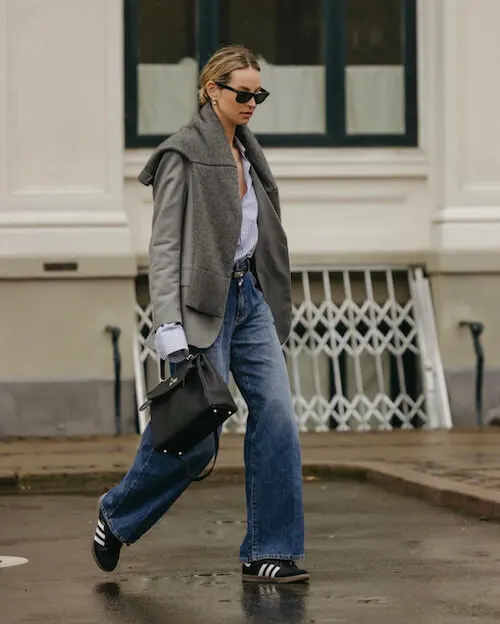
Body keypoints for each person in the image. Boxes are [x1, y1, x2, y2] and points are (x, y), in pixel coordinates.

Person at [92, 44, 308, 584]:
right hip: (198, 307)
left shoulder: (249, 154)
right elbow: (164, 246)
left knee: (278, 415)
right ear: (212, 89)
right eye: (243, 92)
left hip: (248, 298)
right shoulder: (181, 155)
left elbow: (257, 235)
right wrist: (166, 324)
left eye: (259, 93)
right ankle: (116, 515)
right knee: (195, 437)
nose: (252, 101)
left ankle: (270, 550)